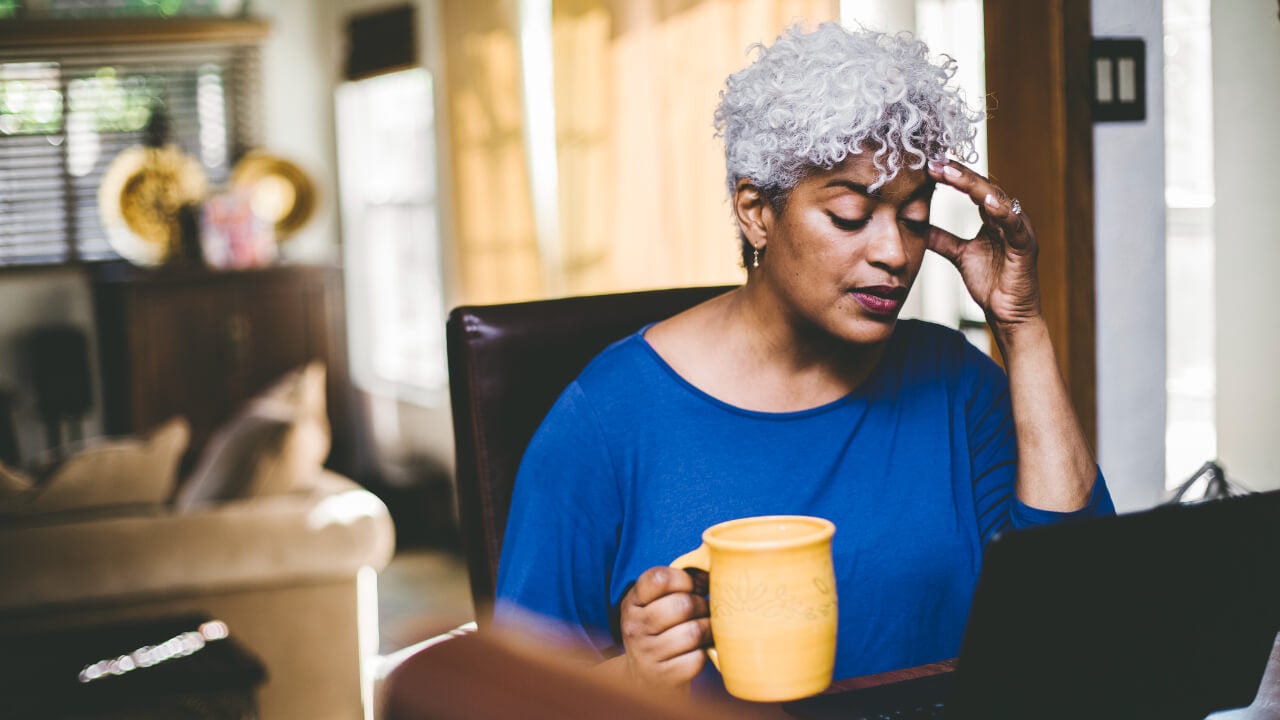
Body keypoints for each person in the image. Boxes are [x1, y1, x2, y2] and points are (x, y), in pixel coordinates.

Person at [494, 22, 1115, 695]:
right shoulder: (606, 422)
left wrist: (1021, 326)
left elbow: (1078, 604)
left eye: (913, 217)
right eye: (851, 215)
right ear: (756, 212)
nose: (895, 254)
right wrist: (633, 678)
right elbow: (506, 698)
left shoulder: (955, 383)